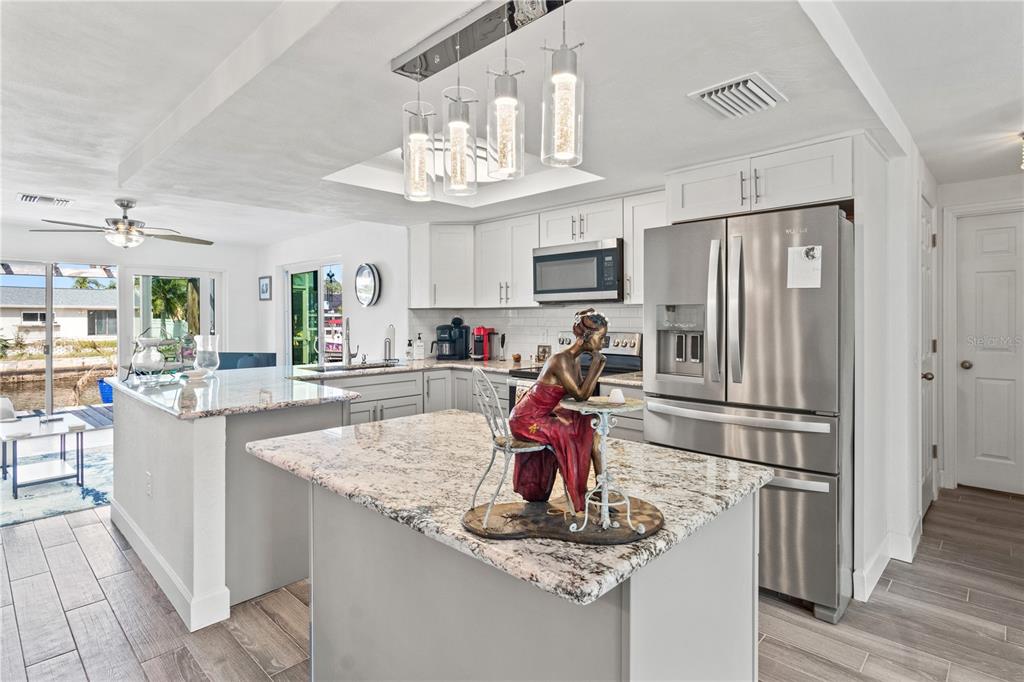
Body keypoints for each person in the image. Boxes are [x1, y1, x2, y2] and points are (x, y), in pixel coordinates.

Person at [508, 308, 608, 513]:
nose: (603, 343)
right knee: (570, 435)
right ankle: (579, 494)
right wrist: (597, 367)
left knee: (587, 425)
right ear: (587, 337)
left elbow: (578, 394)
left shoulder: (576, 360)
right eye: (601, 337)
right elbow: (582, 395)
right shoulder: (561, 360)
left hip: (542, 414)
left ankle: (599, 490)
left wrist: (592, 368)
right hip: (525, 419)